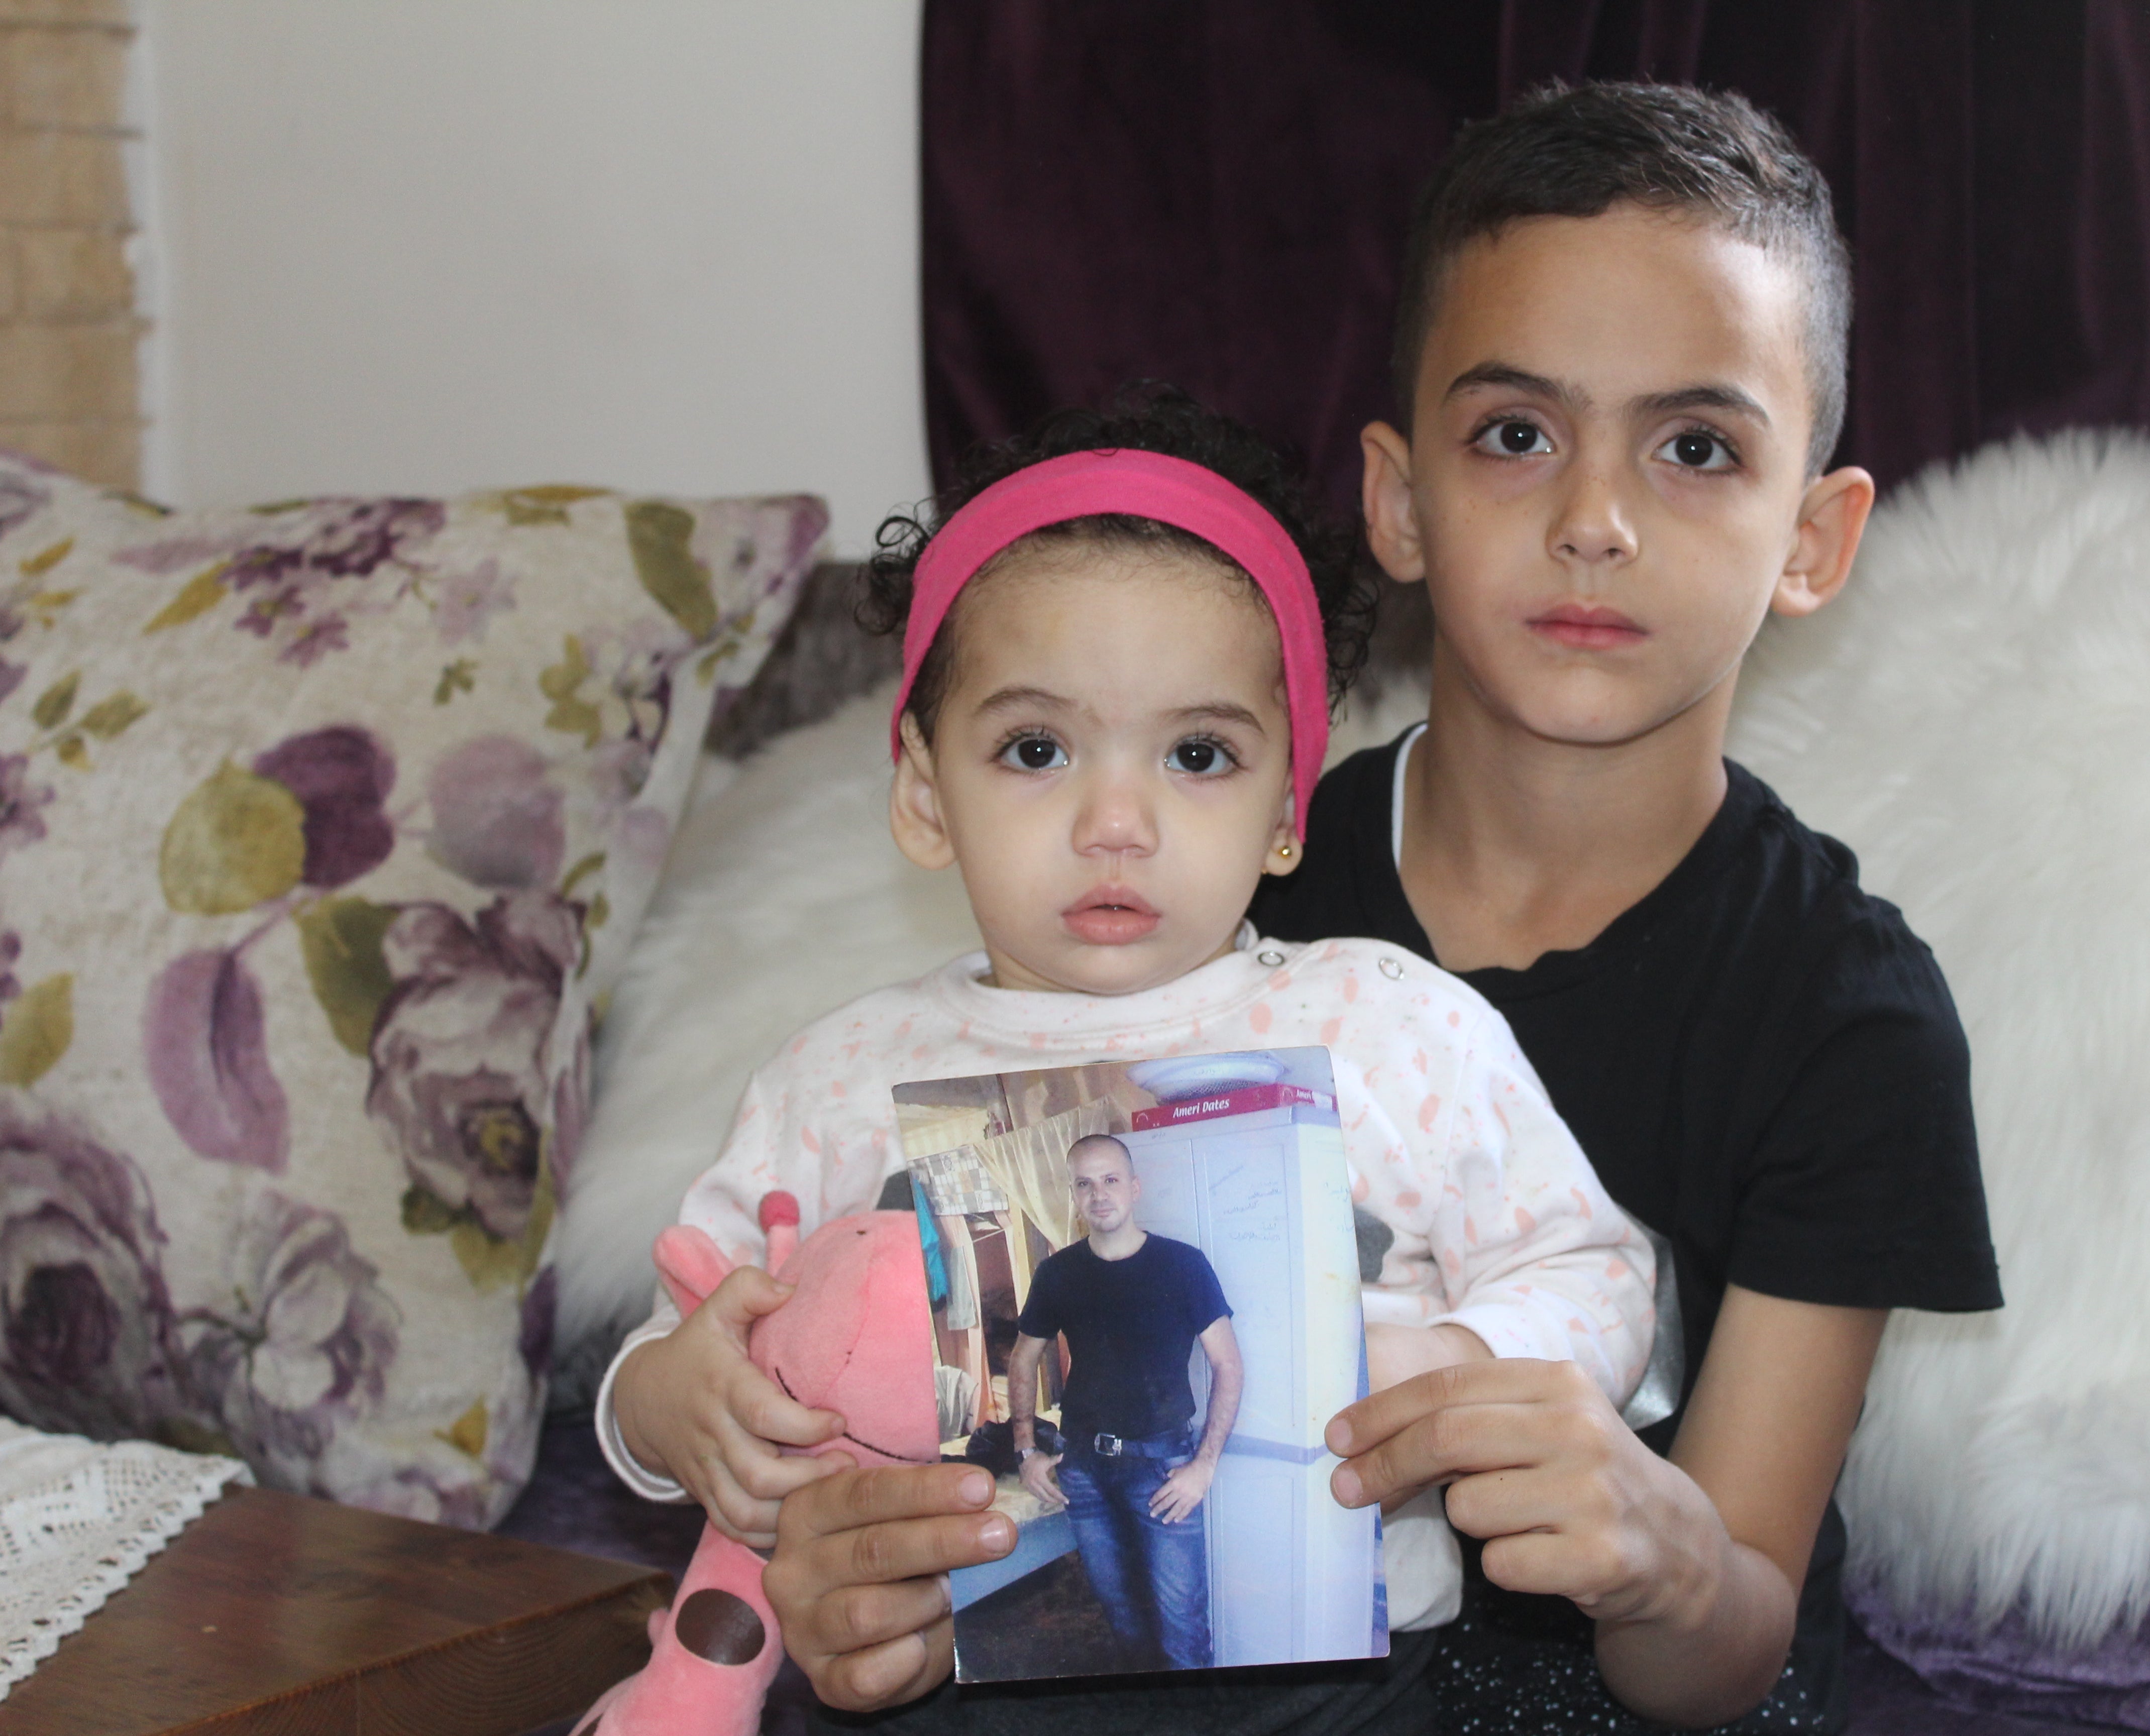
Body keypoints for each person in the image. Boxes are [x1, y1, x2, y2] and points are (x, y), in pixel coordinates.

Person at [592, 388, 1657, 1733]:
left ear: (1287, 807)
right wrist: (665, 1403)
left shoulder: (1393, 1023)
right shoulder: (844, 1071)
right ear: (926, 791)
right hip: (952, 1674)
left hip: (1334, 1684)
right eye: (1036, 750)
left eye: (1198, 755)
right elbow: (692, 1315)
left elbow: (1599, 1270)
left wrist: (1455, 1361)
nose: (1115, 822)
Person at [1247, 82, 2004, 1734]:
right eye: (1515, 433)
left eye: (1694, 448)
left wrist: (1661, 1554)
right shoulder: (1234, 883)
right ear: (1395, 500)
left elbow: (1725, 1645)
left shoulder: (1847, 1016)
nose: (1593, 519)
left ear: (1812, 538)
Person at [1003, 1134, 1242, 1674]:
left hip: (1162, 1468)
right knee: (1123, 1623)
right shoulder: (1058, 1273)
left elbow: (1228, 1365)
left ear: (1134, 1188)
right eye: (1085, 1184)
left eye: (1110, 1180)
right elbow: (1022, 1360)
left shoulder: (1183, 1265)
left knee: (1182, 1630)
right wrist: (1024, 1450)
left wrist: (1203, 1467)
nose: (1099, 1194)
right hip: (1082, 1468)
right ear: (1074, 1195)